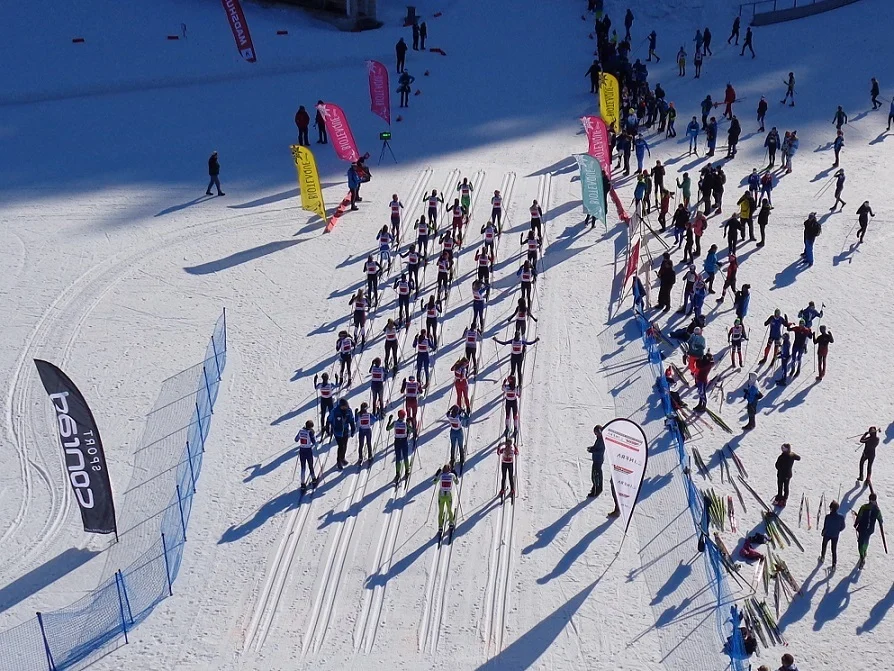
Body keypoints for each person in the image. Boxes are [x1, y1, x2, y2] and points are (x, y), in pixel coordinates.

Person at [855, 493, 884, 568]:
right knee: (865, 541)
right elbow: (880, 519)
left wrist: (856, 523)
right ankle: (864, 553)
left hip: (863, 528)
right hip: (869, 529)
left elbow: (859, 516)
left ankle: (862, 555)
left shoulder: (864, 507)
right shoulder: (876, 510)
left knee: (861, 543)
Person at [326, 397, 356, 470]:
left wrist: (353, 430)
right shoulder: (335, 411)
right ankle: (338, 461)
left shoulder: (348, 411)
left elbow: (351, 420)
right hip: (337, 431)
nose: (344, 407)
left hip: (345, 430)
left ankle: (342, 458)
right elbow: (329, 419)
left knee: (345, 445)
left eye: (345, 406)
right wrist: (327, 429)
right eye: (343, 406)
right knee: (341, 446)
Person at [387, 410, 415, 483]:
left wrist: (389, 420)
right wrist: (412, 423)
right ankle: (406, 471)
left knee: (398, 458)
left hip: (397, 442)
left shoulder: (395, 423)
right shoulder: (405, 424)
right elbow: (412, 430)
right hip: (404, 441)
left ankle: (397, 473)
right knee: (405, 456)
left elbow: (387, 429)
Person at [819, 500, 845, 568]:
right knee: (834, 550)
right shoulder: (841, 517)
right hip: (835, 535)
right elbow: (843, 527)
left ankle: (822, 557)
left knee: (824, 545)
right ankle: (834, 564)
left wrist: (823, 532)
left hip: (827, 534)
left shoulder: (827, 517)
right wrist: (838, 530)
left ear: (831, 508)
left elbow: (825, 526)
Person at [295, 420, 319, 490]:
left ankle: (302, 483)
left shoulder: (301, 431)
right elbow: (314, 442)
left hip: (301, 450)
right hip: (308, 450)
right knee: (310, 465)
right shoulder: (310, 432)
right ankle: (313, 478)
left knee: (303, 467)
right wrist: (313, 435)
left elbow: (296, 439)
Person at [588, 425, 606, 497]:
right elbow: (597, 448)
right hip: (597, 459)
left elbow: (600, 450)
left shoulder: (602, 440)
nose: (595, 434)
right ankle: (597, 488)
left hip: (598, 460)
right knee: (596, 474)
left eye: (596, 433)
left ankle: (596, 490)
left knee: (595, 476)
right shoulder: (599, 438)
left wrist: (593, 450)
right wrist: (592, 448)